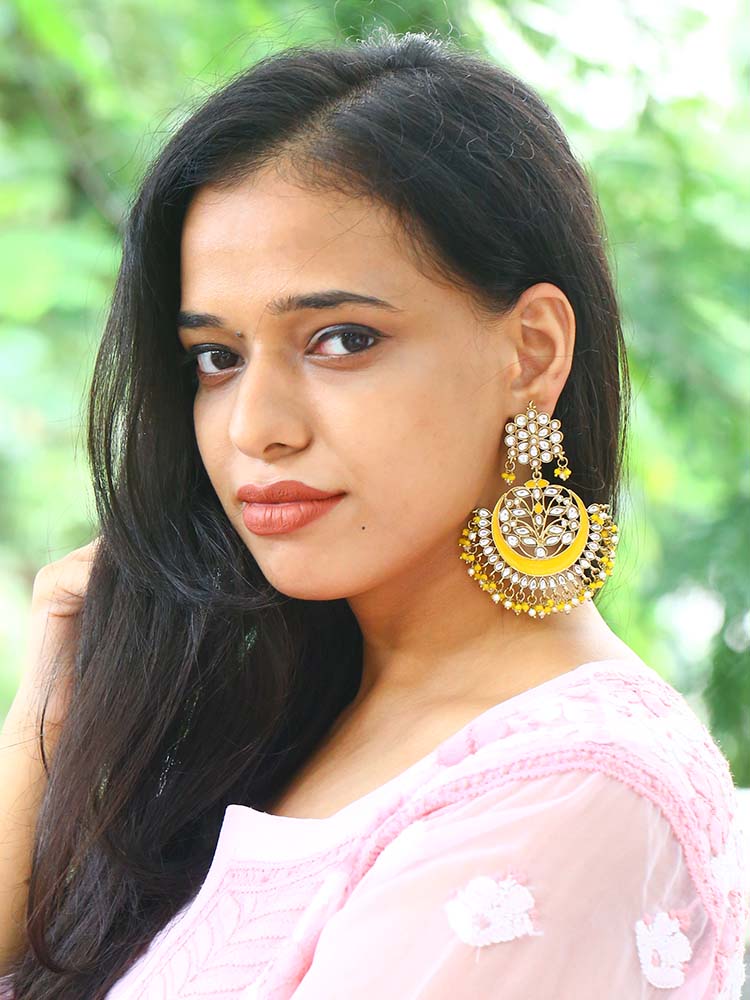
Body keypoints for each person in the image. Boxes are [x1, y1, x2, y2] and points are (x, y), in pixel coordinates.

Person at [0, 27, 747, 1000]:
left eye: (341, 339)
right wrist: (47, 722)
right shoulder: (270, 721)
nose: (255, 428)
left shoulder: (574, 786)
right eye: (217, 358)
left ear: (530, 353)